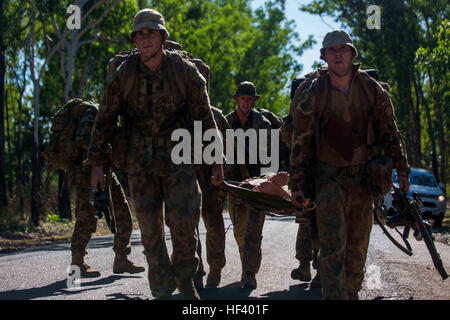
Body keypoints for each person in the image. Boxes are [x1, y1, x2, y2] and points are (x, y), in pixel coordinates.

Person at [85, 8, 223, 300]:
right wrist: (96, 163)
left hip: (179, 156)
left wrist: (215, 161)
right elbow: (105, 120)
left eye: (151, 32)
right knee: (150, 232)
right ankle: (161, 289)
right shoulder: (124, 76)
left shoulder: (184, 71)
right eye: (140, 34)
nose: (145, 38)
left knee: (185, 227)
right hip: (139, 160)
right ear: (135, 40)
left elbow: (204, 117)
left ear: (163, 36)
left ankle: (186, 283)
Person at [288, 30, 410, 300]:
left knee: (356, 250)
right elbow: (301, 140)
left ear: (353, 54)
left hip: (362, 180)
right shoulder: (314, 92)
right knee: (332, 248)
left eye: (344, 48)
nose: (338, 53)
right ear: (324, 56)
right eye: (332, 50)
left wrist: (402, 168)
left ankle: (351, 292)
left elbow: (390, 130)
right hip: (327, 178)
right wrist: (296, 184)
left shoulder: (369, 89)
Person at [68, 99, 144, 278]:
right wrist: (98, 163)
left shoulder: (113, 116)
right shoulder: (95, 112)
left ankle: (121, 259)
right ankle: (77, 263)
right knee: (86, 217)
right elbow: (83, 139)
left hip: (106, 173)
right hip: (88, 173)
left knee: (123, 215)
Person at [225, 81, 275, 289]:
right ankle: (247, 267)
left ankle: (249, 273)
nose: (245, 102)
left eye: (249, 99)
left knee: (254, 231)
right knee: (239, 231)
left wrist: (265, 184)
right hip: (235, 185)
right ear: (236, 99)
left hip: (257, 186)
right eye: (242, 98)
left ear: (253, 101)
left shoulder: (263, 124)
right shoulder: (226, 122)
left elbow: (269, 159)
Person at [194, 106, 229, 289]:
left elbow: (229, 147)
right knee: (187, 224)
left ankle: (215, 268)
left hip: (211, 177)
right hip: (185, 174)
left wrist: (222, 174)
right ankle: (195, 272)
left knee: (214, 222)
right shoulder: (176, 110)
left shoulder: (216, 115)